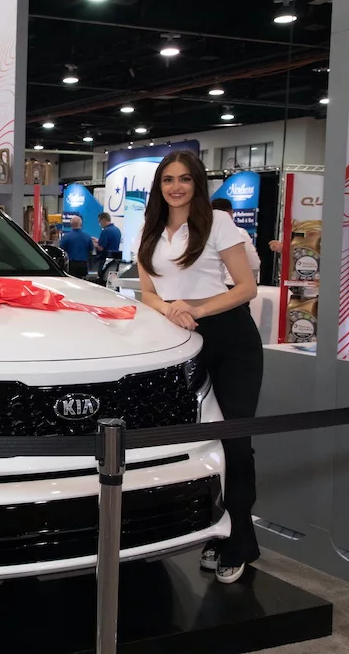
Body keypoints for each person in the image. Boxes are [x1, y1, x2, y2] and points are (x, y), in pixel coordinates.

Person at [133, 150, 262, 585]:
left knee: (234, 441)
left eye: (184, 179)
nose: (176, 187)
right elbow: (146, 292)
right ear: (159, 185)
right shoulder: (149, 229)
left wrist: (197, 308)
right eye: (168, 179)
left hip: (230, 340)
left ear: (197, 183)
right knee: (190, 445)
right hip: (178, 342)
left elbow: (246, 288)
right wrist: (170, 309)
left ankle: (239, 541)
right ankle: (207, 529)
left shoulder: (218, 224)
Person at [211, 198, 261, 287]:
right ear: (230, 212)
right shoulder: (239, 233)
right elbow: (254, 263)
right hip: (234, 285)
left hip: (211, 287)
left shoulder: (204, 235)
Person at [93, 212, 122, 278]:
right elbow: (110, 242)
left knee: (102, 277)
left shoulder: (105, 231)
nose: (99, 224)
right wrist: (98, 240)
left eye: (99, 221)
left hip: (105, 260)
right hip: (114, 261)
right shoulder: (117, 230)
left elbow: (101, 248)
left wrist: (93, 244)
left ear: (103, 220)